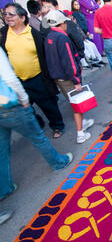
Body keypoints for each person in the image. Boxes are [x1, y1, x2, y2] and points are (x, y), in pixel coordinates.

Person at [0, 46, 73, 202]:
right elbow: (10, 79)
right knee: (38, 137)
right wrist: (24, 100)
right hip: (10, 106)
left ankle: (4, 188)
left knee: (1, 151)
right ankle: (59, 162)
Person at [0, 3, 65, 139]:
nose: (7, 17)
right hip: (17, 79)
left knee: (48, 104)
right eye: (5, 14)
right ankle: (38, 123)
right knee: (24, 107)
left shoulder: (34, 34)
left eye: (11, 14)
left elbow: (45, 55)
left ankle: (57, 126)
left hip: (38, 78)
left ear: (23, 17)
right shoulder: (5, 33)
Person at [44, 9, 94, 144]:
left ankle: (83, 122)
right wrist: (76, 80)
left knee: (73, 102)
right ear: (62, 23)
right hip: (67, 77)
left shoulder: (49, 36)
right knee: (77, 105)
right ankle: (80, 133)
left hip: (58, 77)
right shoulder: (62, 38)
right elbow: (69, 61)